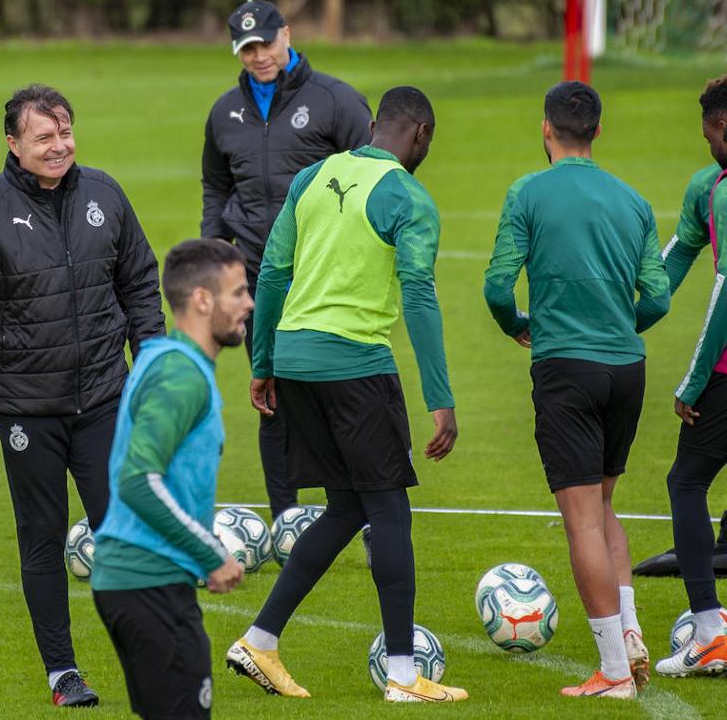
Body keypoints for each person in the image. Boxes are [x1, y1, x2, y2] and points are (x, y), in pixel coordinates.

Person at [224, 86, 465, 703]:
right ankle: (405, 677)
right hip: (355, 366)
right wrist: (440, 397)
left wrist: (265, 361)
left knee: (347, 508)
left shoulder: (313, 176)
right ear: (422, 134)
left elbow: (273, 271)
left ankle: (260, 640)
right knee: (389, 511)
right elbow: (418, 295)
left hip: (298, 362)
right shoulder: (410, 198)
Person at [0, 83, 164, 708]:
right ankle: (63, 672)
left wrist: (153, 360)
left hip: (104, 399)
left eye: (65, 133)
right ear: (14, 143)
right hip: (27, 407)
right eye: (44, 137)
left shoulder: (105, 194)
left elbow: (140, 282)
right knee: (42, 535)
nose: (59, 147)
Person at [484, 81, 670, 697]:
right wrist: (621, 326)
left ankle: (615, 670)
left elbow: (497, 287)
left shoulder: (527, 193)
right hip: (627, 369)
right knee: (605, 505)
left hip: (567, 367)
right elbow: (659, 295)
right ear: (597, 131)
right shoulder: (634, 200)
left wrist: (521, 328)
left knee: (582, 522)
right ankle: (634, 635)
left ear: (546, 129)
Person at [201, 0, 371, 519]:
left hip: (326, 277)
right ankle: (285, 520)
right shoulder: (224, 113)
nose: (259, 56)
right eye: (247, 48)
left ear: (287, 35)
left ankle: (366, 513)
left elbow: (376, 178)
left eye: (267, 43)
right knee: (270, 392)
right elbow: (216, 185)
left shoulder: (336, 102)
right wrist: (214, 249)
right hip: (257, 278)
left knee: (344, 399)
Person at [92, 239, 249, 719]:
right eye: (239, 292)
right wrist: (211, 554)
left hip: (143, 583)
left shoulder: (164, 358)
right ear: (202, 300)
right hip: (148, 583)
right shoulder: (180, 376)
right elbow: (137, 480)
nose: (249, 304)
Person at [654, 75, 727, 677]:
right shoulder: (709, 188)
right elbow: (672, 262)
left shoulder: (724, 190)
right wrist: (622, 317)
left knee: (686, 482)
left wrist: (694, 379)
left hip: (726, 375)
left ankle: (709, 628)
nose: (707, 144)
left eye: (709, 136)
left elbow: (726, 291)